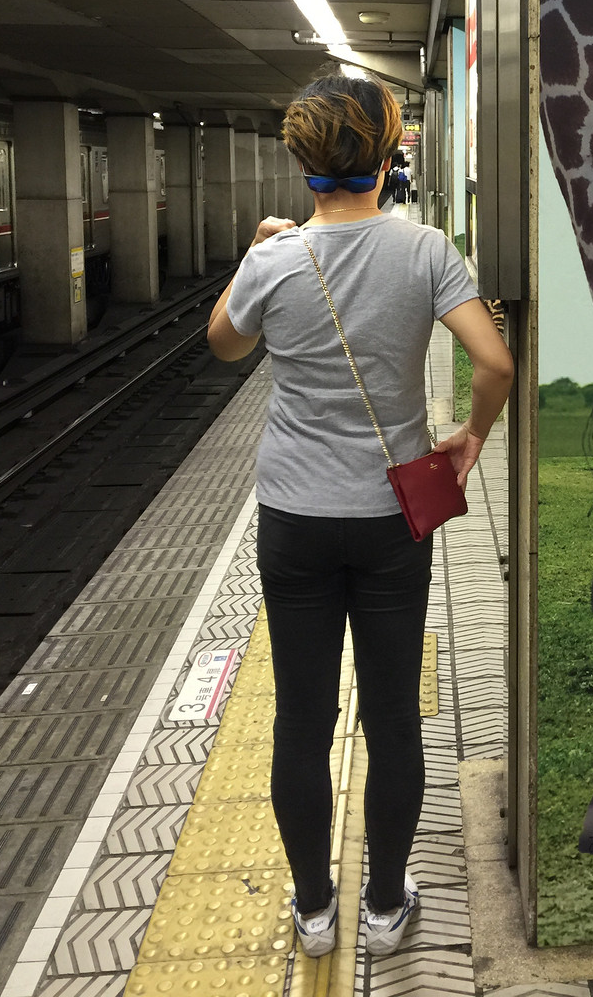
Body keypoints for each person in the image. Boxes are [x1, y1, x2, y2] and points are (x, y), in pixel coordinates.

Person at [206, 74, 514, 959]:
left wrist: (258, 253)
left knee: (301, 717)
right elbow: (491, 364)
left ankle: (310, 911)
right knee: (391, 715)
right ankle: (384, 905)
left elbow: (225, 343)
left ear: (305, 164)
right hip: (390, 517)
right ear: (388, 157)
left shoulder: (275, 258)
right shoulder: (424, 251)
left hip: (294, 518)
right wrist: (467, 439)